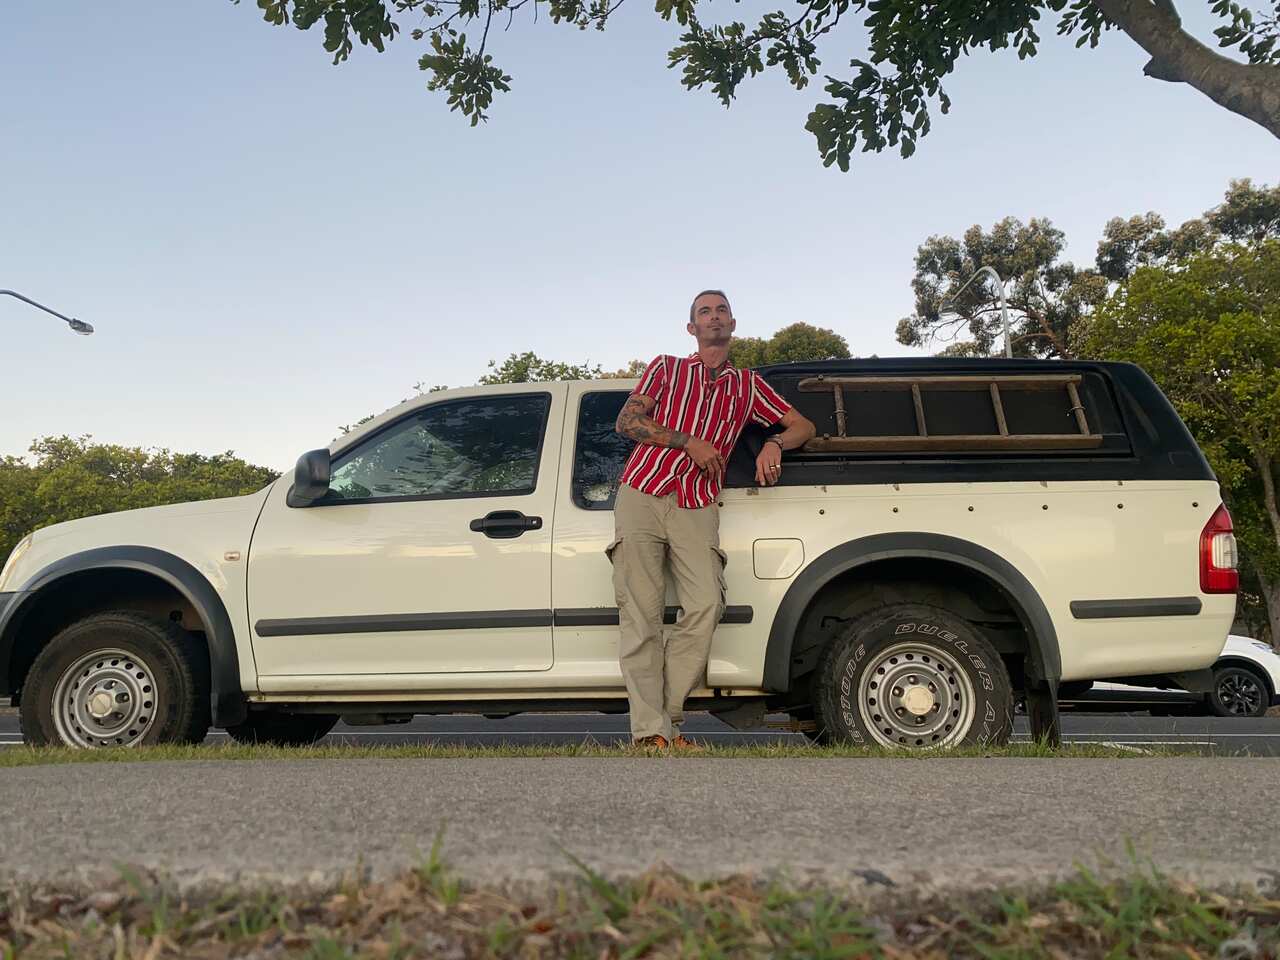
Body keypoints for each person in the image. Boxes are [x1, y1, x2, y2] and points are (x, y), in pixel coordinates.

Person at [610, 290, 817, 750]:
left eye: (721, 310)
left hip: (697, 501)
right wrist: (689, 442)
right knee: (640, 614)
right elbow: (627, 422)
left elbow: (802, 425)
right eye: (705, 311)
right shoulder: (666, 368)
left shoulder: (748, 386)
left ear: (732, 324)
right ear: (692, 328)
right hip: (643, 491)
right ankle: (651, 734)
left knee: (705, 606)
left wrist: (773, 444)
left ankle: (668, 717)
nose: (714, 317)